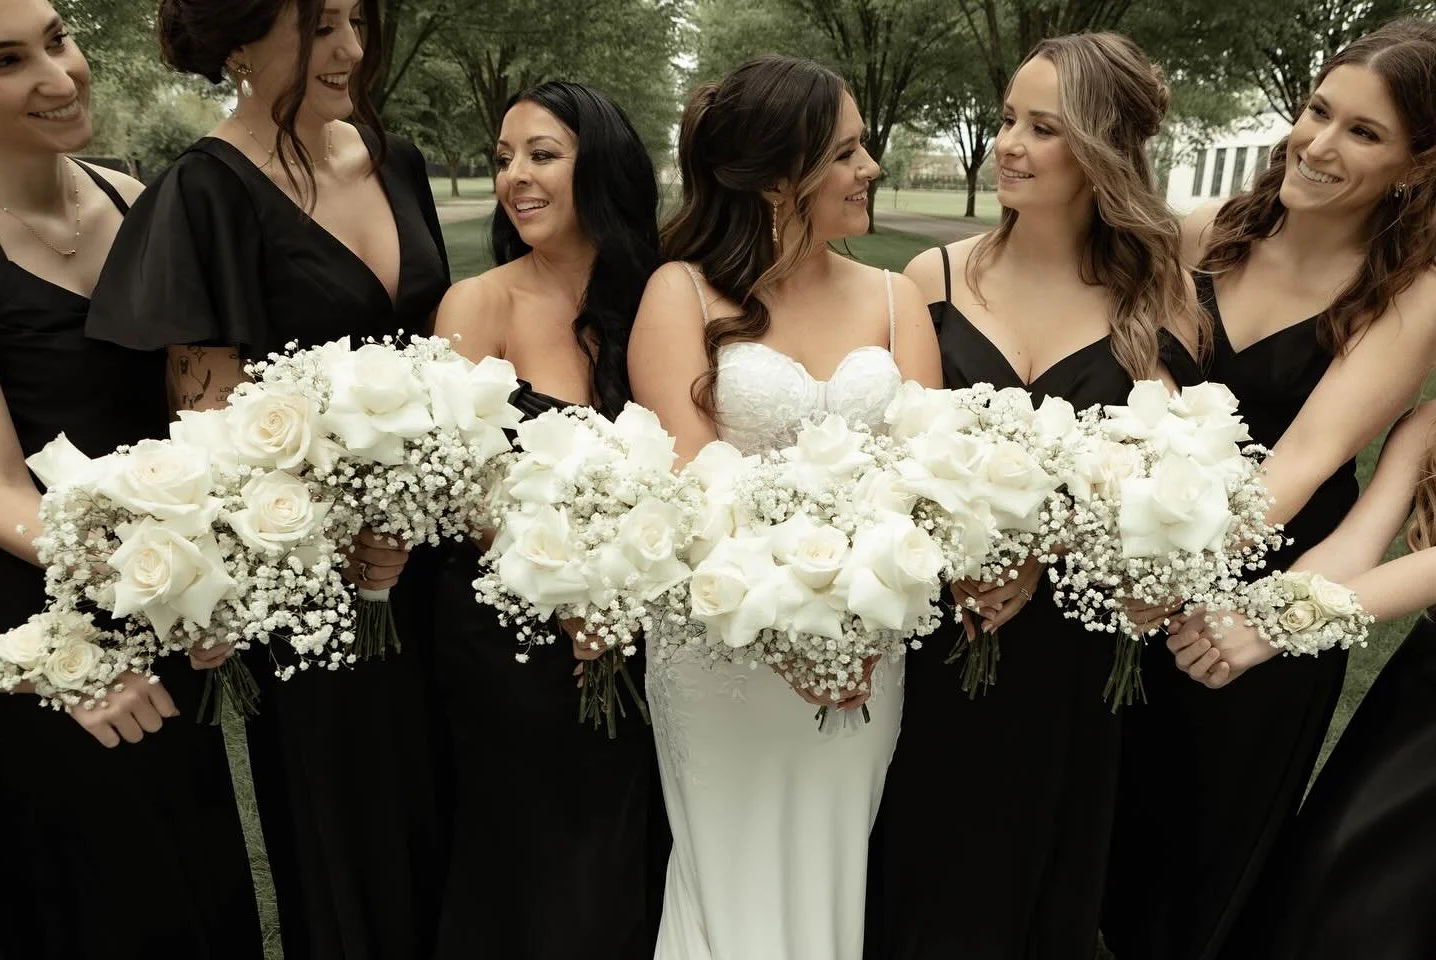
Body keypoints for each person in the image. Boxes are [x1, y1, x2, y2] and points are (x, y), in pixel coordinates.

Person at [86, 1, 453, 956]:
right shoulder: (203, 193)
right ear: (241, 41)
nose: (354, 51)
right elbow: (209, 430)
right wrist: (346, 534)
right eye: (321, 26)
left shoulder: (394, 156)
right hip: (314, 581)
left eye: (356, 22)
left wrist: (420, 504)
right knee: (357, 835)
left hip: (436, 555)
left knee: (459, 808)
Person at [866, 32, 1205, 959]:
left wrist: (1047, 552)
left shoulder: (1159, 298)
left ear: (1101, 151)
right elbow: (891, 458)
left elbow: (1166, 476)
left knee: (1041, 882)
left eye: (1042, 127)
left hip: (1069, 650)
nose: (1008, 142)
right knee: (920, 872)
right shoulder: (928, 281)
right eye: (1009, 118)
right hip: (939, 629)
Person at [1105, 19, 1436, 960]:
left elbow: (1302, 463)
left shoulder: (1411, 295)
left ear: (1416, 165)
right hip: (1130, 573)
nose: (1319, 144)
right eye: (1319, 111)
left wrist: (1166, 581)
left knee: (1182, 888)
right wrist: (1118, 558)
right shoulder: (1202, 234)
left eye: (1364, 134)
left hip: (1261, 603)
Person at [627, 54, 942, 959]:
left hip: (865, 647)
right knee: (725, 889)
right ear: (777, 179)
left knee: (830, 869)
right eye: (845, 152)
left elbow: (928, 481)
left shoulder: (897, 301)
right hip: (719, 643)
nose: (870, 167)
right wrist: (788, 633)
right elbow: (690, 488)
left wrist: (846, 631)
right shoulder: (678, 292)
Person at [0, 1, 260, 956]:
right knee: (95, 894)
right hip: (37, 611)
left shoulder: (133, 198)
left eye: (59, 40)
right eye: (7, 61)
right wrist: (103, 614)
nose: (60, 77)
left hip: (163, 597)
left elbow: (195, 414)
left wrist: (212, 566)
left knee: (199, 882)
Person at [429, 80, 668, 958]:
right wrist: (573, 591)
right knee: (539, 864)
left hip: (644, 630)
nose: (515, 178)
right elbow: (459, 489)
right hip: (512, 642)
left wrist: (619, 596)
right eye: (502, 159)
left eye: (541, 154)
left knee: (630, 844)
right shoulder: (478, 305)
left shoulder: (659, 297)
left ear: (598, 164)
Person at [1167, 397, 1436, 959]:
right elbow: (1356, 543)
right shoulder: (1429, 424)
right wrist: (1247, 616)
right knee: (1344, 880)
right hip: (1423, 693)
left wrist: (1285, 623)